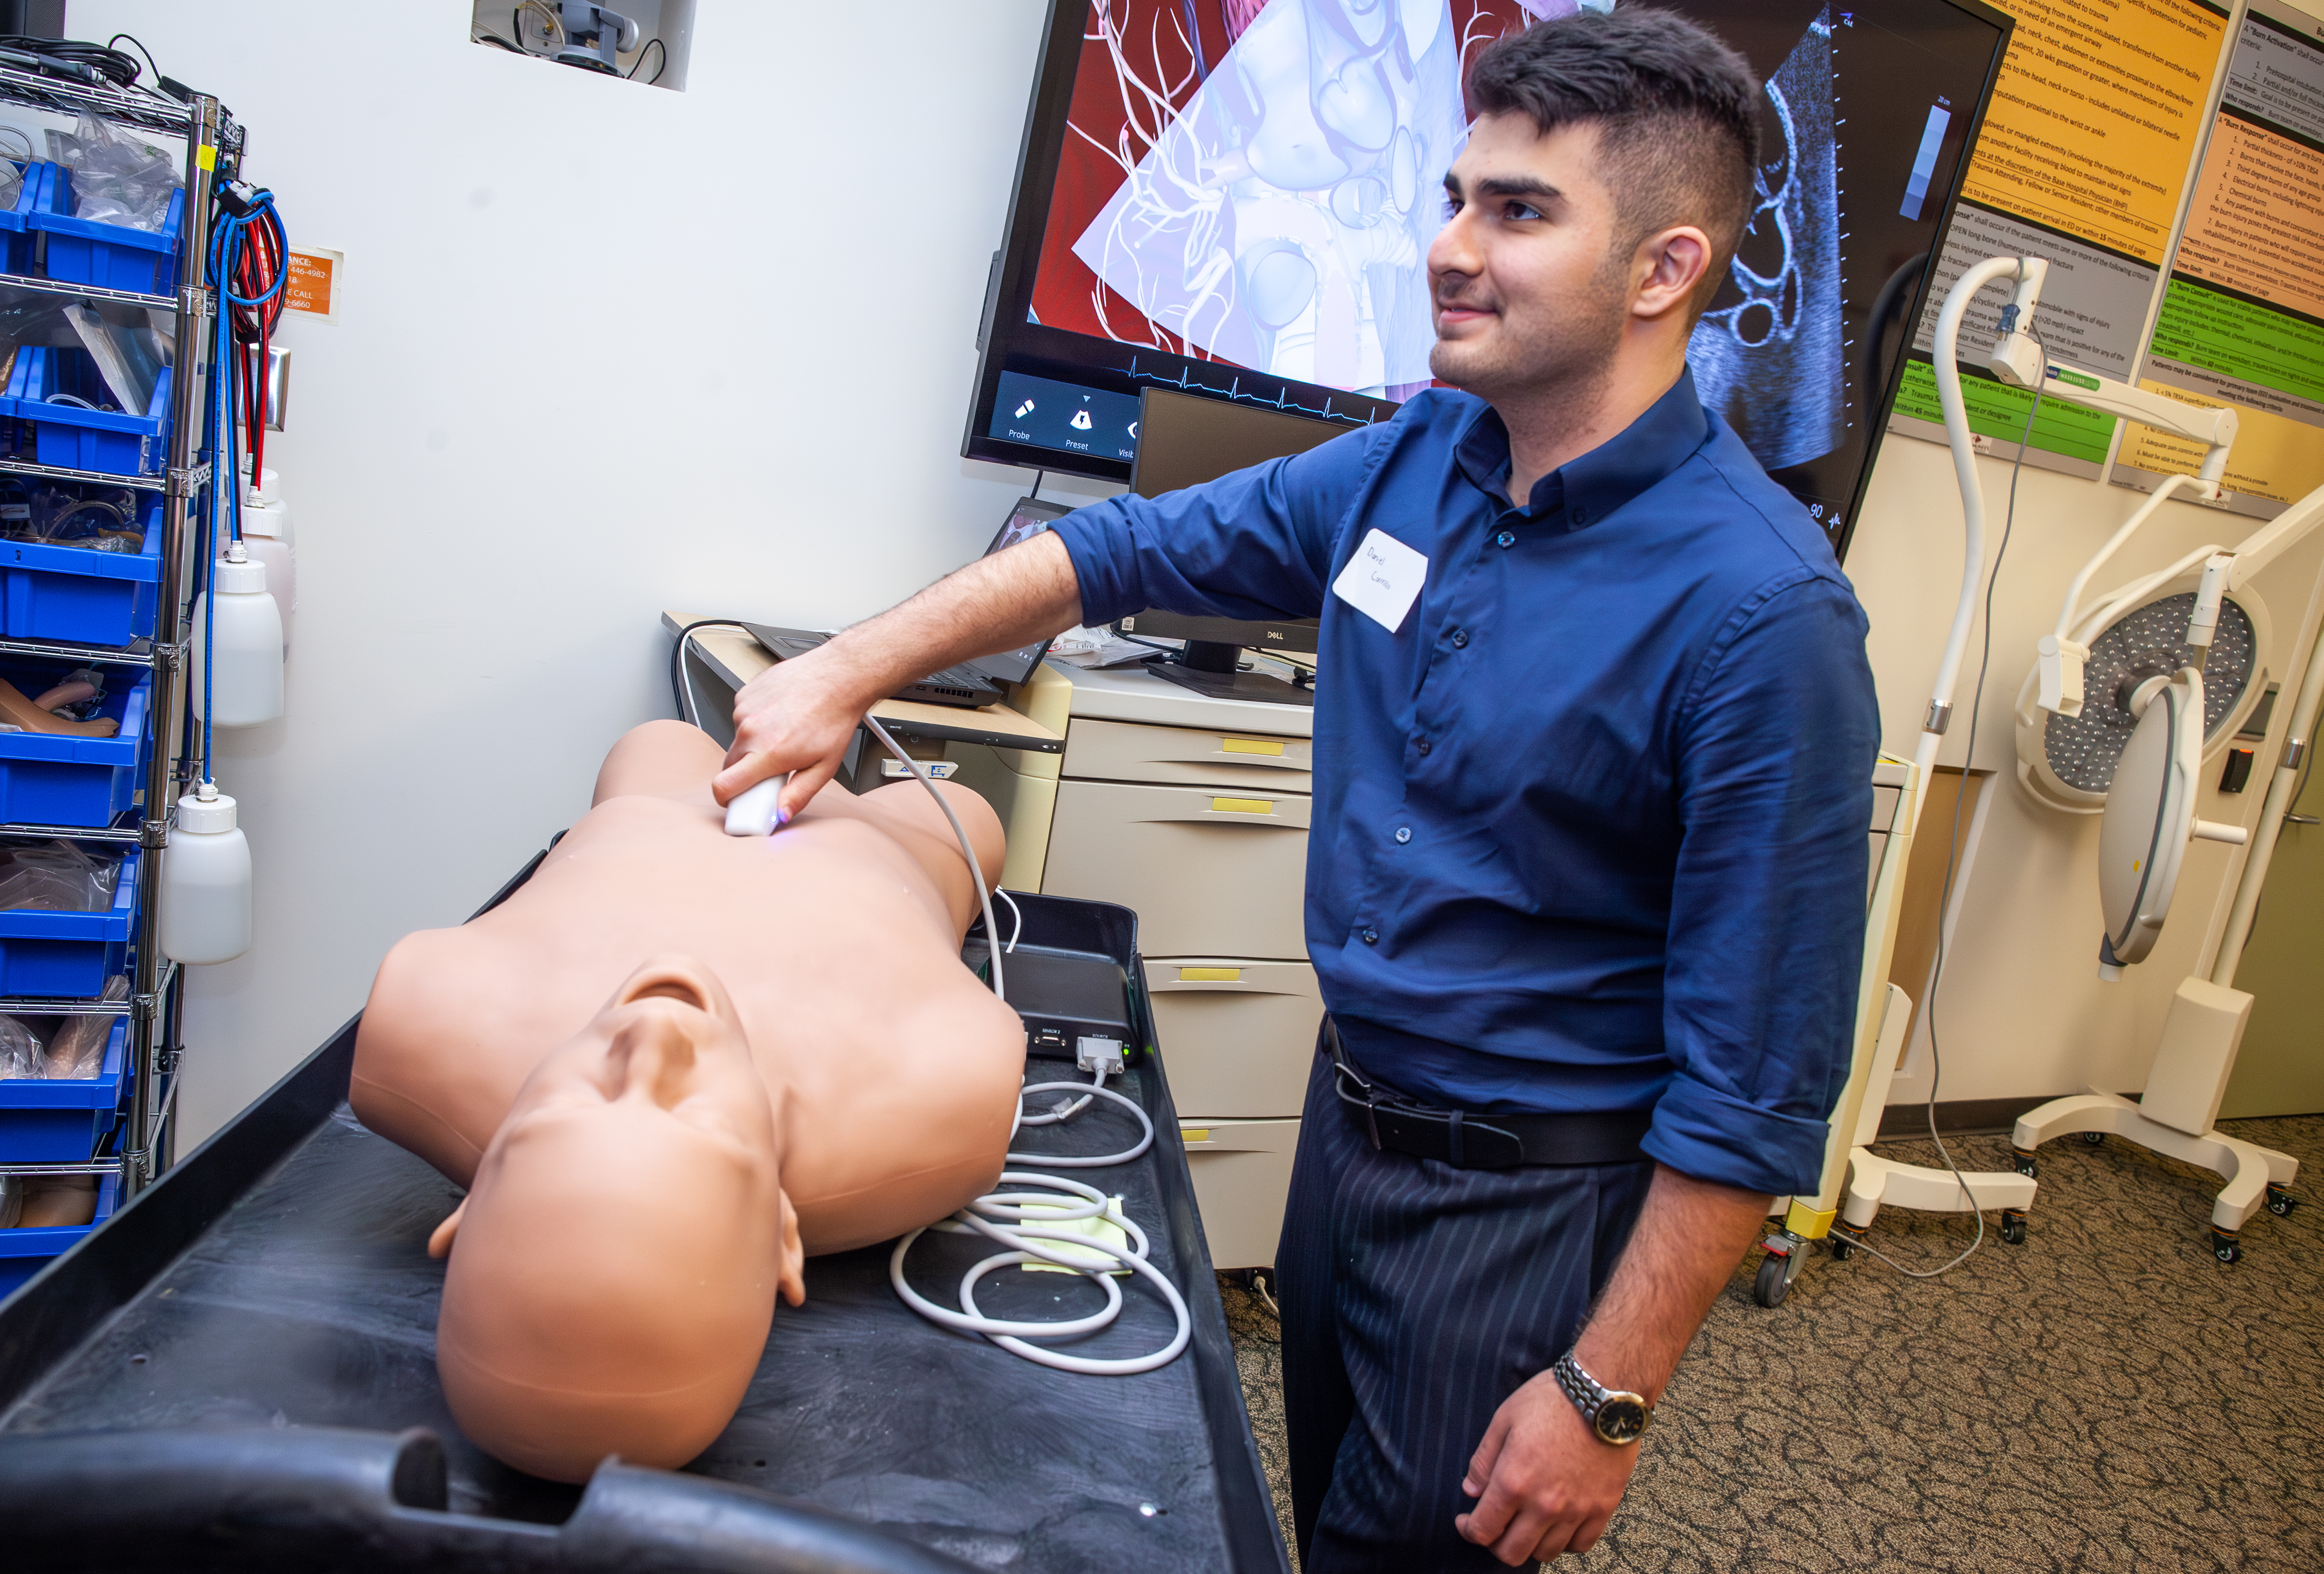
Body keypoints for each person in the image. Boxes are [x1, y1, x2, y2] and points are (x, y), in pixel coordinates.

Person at [716, 9, 1878, 1567]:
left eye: (1518, 213)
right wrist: (848, 668)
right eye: (1457, 195)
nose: (1449, 248)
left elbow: (1757, 1089)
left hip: (1523, 1210)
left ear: (1664, 269)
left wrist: (1607, 1392)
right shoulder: (1423, 459)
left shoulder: (1762, 618)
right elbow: (1116, 552)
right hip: (1352, 1138)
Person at [353, 721, 1026, 1479]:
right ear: (781, 1237)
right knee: (964, 811)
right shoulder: (938, 1093)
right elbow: (985, 1048)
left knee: (658, 737)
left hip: (668, 800)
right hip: (879, 843)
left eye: (579, 1104)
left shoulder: (429, 1017)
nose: (655, 1037)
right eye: (698, 1121)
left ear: (467, 1209)